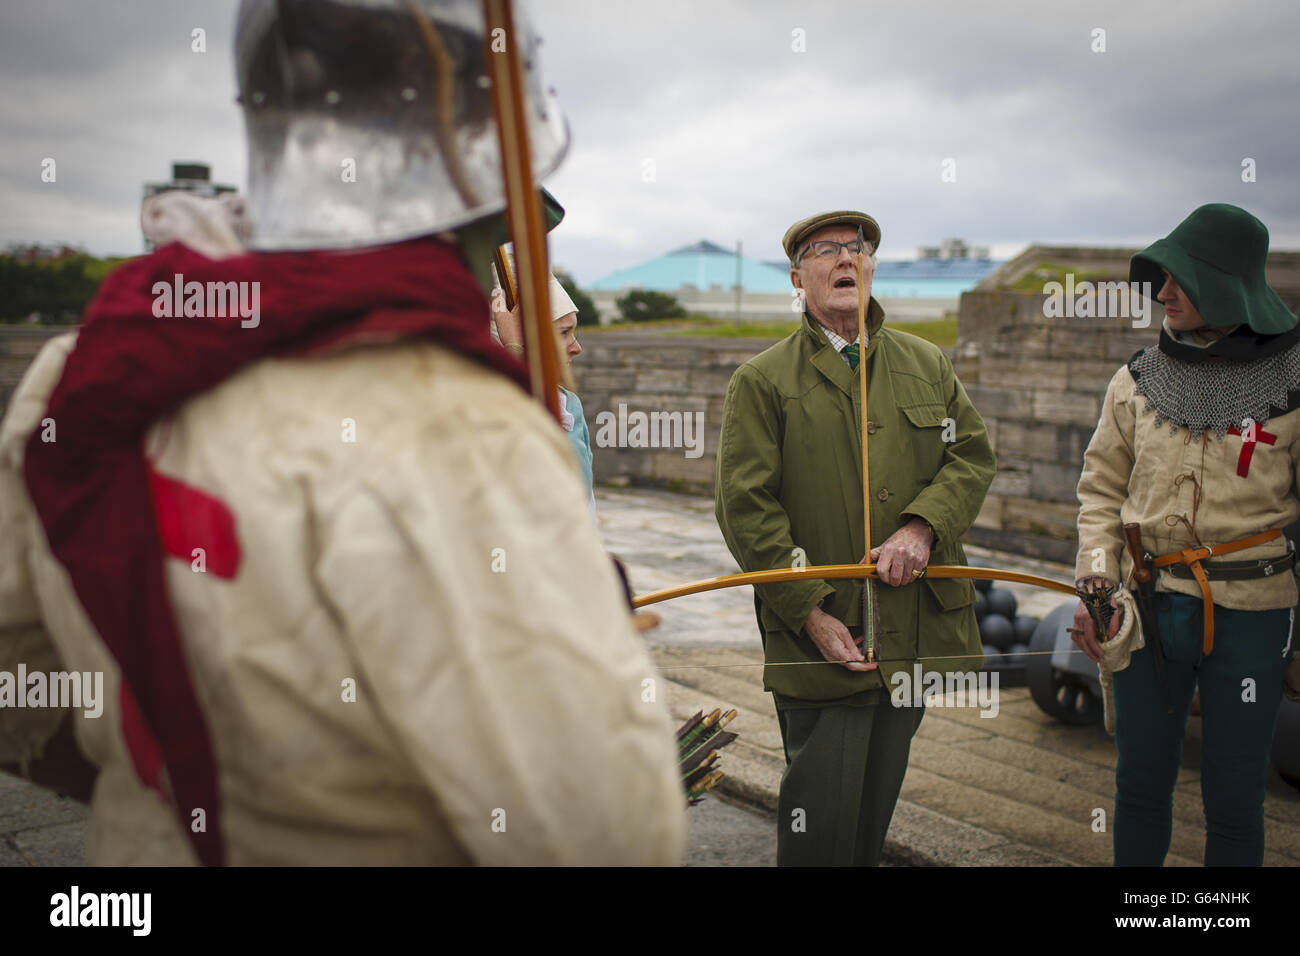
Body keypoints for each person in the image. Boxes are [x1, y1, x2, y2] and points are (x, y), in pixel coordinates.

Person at [0, 0, 682, 866]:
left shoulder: (73, 367)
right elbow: (606, 828)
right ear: (484, 137)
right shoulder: (465, 428)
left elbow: (19, 681)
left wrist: (170, 798)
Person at [714, 210, 995, 866]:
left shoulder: (927, 364)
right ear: (797, 277)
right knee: (820, 831)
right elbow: (743, 506)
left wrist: (922, 530)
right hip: (824, 639)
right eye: (825, 250)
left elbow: (971, 458)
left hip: (912, 633)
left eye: (856, 247)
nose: (845, 258)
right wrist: (809, 610)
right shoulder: (762, 381)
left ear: (870, 268)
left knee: (870, 826)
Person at [1072, 202, 1300, 866]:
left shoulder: (1293, 382)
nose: (1163, 293)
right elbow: (1100, 494)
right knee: (1139, 783)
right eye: (1161, 277)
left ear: (1228, 281)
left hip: (1254, 616)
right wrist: (1096, 587)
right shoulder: (1138, 380)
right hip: (1149, 606)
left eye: (1180, 278)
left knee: (1234, 796)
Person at [493, 272, 596, 510]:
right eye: (563, 332)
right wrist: (515, 352)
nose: (577, 347)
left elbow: (582, 498)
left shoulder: (569, 404)